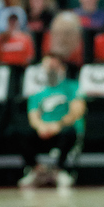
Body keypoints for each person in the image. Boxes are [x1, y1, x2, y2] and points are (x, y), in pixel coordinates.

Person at [19, 54, 85, 189]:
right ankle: (36, 170)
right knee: (16, 133)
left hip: (63, 130)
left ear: (62, 68)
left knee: (70, 132)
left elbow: (77, 111)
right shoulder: (37, 92)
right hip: (44, 132)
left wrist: (58, 125)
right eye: (48, 67)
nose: (51, 70)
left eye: (54, 67)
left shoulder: (72, 87)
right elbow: (33, 117)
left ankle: (60, 170)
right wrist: (41, 127)